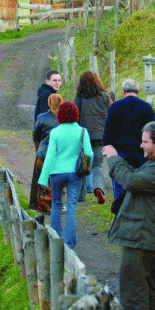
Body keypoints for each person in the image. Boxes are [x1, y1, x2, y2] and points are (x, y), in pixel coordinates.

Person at [102, 121, 155, 310]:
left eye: (145, 142)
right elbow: (135, 177)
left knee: (133, 292)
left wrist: (114, 158)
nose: (141, 146)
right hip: (145, 236)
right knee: (150, 289)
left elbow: (131, 181)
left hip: (142, 237)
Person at [38, 101, 93, 249]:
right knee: (71, 206)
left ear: (60, 115)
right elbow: (89, 153)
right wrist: (89, 179)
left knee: (56, 204)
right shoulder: (82, 131)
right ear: (76, 114)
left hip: (56, 173)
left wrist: (43, 178)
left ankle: (55, 240)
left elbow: (49, 156)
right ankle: (69, 244)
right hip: (75, 172)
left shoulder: (55, 132)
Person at [103, 78, 155, 199]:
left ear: (123, 91)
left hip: (120, 153)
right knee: (141, 186)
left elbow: (108, 132)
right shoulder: (146, 107)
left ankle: (121, 212)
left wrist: (108, 150)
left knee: (120, 186)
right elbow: (154, 131)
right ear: (138, 91)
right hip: (141, 153)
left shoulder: (115, 107)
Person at [74, 71, 112, 204]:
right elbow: (111, 115)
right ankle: (99, 189)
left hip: (84, 137)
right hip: (100, 137)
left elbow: (75, 117)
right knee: (97, 166)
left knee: (83, 166)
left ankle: (81, 196)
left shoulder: (79, 97)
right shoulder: (104, 97)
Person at [29, 93, 63, 213]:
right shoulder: (64, 119)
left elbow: (36, 135)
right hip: (59, 154)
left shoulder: (42, 117)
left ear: (49, 103)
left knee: (43, 180)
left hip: (44, 154)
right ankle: (58, 204)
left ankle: (44, 206)